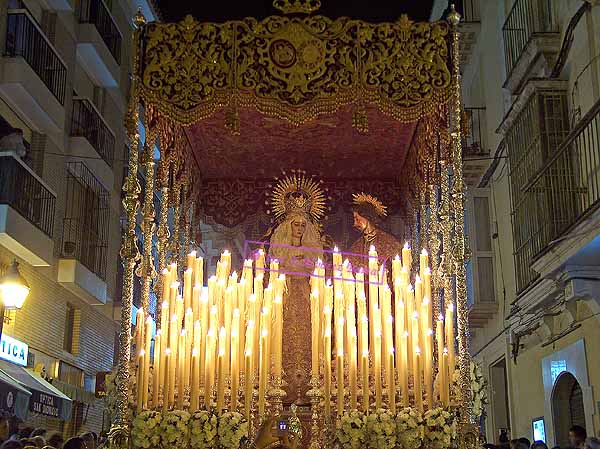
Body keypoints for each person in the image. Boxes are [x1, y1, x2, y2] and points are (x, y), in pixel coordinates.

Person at [268, 172, 326, 406]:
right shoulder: (279, 246)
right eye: (297, 224)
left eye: (303, 224)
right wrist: (291, 265)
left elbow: (317, 270)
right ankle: (282, 389)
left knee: (309, 339)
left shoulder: (312, 247)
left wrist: (303, 265)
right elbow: (276, 267)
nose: (300, 228)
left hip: (306, 297)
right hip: (287, 296)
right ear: (288, 225)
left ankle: (311, 389)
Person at [347, 192, 402, 273]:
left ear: (367, 217)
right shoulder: (357, 245)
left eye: (357, 219)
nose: (354, 224)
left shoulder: (388, 242)